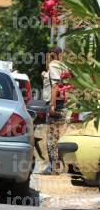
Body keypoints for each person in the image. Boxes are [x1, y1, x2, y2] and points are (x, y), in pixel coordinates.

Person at [41, 46, 67, 175]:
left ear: (52, 55)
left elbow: (55, 86)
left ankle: (53, 167)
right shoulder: (62, 66)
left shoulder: (54, 65)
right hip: (63, 104)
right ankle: (60, 166)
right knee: (59, 137)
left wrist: (52, 105)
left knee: (51, 138)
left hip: (56, 104)